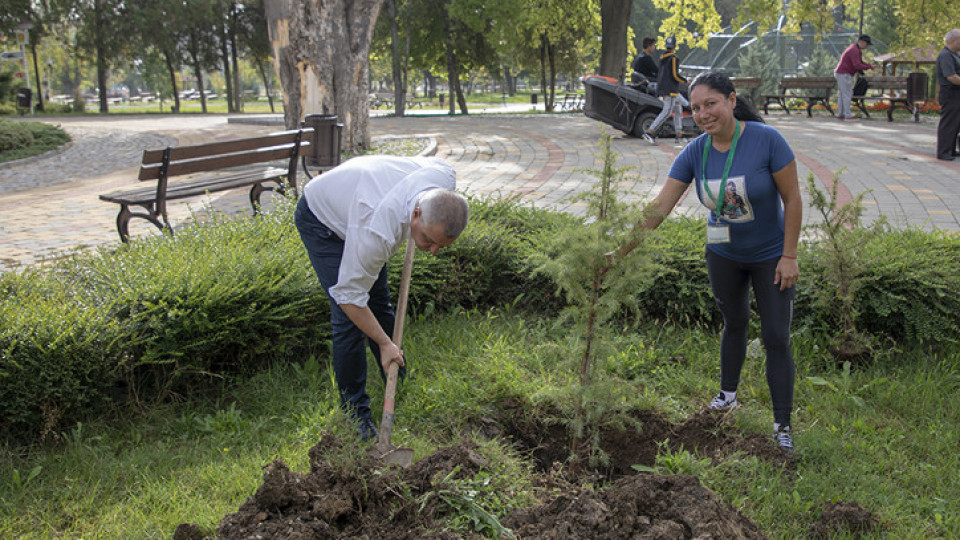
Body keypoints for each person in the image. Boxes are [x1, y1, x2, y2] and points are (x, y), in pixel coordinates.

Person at [618, 71, 802, 452]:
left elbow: (793, 198)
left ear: (732, 101)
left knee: (775, 337)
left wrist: (789, 255)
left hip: (771, 256)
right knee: (733, 323)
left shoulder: (767, 141)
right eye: (696, 107)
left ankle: (782, 424)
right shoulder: (695, 151)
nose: (703, 114)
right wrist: (620, 250)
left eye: (711, 104)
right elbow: (660, 206)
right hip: (723, 254)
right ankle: (727, 396)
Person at [294, 155, 469, 442]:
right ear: (414, 215)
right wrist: (385, 342)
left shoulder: (443, 178)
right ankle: (356, 413)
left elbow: (438, 165)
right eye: (428, 240)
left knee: (378, 301)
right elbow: (349, 297)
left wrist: (386, 345)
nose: (433, 251)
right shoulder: (376, 234)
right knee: (348, 320)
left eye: (441, 245)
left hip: (363, 195)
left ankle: (395, 371)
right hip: (323, 219)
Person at [643, 36, 687, 145]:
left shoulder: (663, 57)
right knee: (667, 111)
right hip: (671, 89)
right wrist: (685, 81)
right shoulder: (673, 58)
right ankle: (650, 131)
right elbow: (675, 75)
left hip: (663, 87)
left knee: (678, 109)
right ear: (675, 46)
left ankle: (678, 134)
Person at [834, 35, 875, 120]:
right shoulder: (854, 50)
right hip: (844, 73)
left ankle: (841, 114)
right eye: (866, 44)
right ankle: (847, 114)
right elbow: (857, 65)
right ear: (861, 42)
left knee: (842, 94)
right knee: (847, 94)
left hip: (842, 73)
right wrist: (869, 67)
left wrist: (868, 65)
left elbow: (860, 62)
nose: (866, 46)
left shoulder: (855, 49)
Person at [935, 29, 960, 161]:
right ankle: (943, 151)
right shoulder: (945, 55)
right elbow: (951, 76)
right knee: (949, 123)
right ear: (954, 40)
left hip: (957, 93)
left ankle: (951, 149)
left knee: (956, 123)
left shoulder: (955, 54)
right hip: (950, 92)